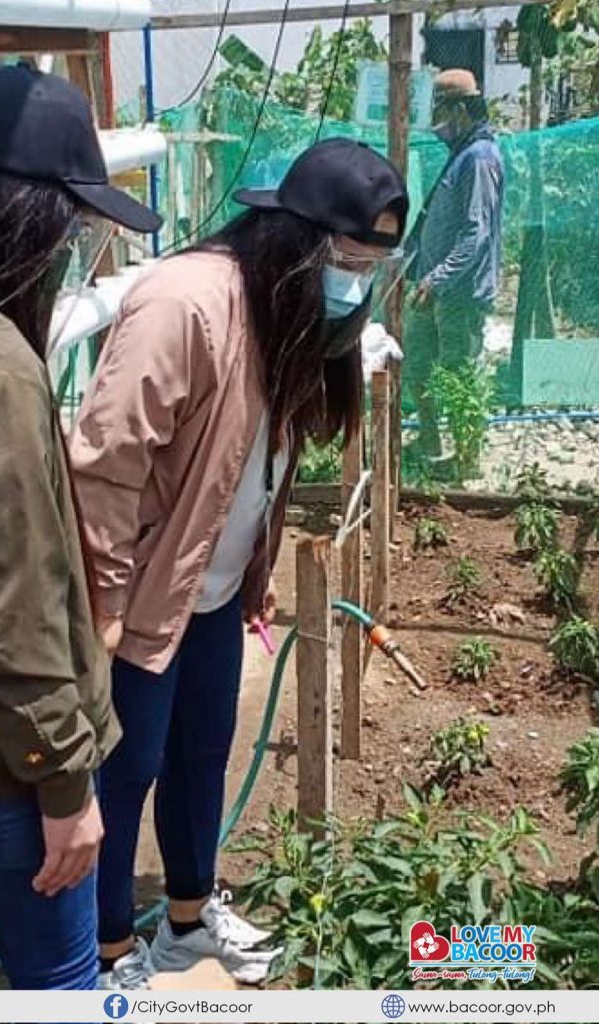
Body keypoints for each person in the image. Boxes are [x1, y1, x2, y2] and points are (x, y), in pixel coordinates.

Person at [70, 138, 408, 989]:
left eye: (370, 268)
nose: (353, 283)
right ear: (292, 241)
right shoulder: (187, 303)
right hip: (145, 595)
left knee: (200, 755)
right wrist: (105, 599)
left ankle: (186, 920)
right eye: (346, 262)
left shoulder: (287, 310)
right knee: (124, 770)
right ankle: (109, 953)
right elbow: (106, 461)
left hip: (213, 595)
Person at [0, 64, 160, 989]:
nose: (68, 253)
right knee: (61, 985)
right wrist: (65, 783)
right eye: (66, 228)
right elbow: (15, 609)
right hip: (0, 773)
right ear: (10, 215)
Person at [404, 69, 504, 462]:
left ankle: (467, 459)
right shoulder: (460, 155)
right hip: (434, 288)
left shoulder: (479, 158)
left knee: (460, 375)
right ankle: (430, 442)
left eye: (442, 111)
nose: (437, 123)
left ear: (462, 109)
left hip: (459, 294)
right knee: (417, 367)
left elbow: (475, 232)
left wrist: (439, 278)